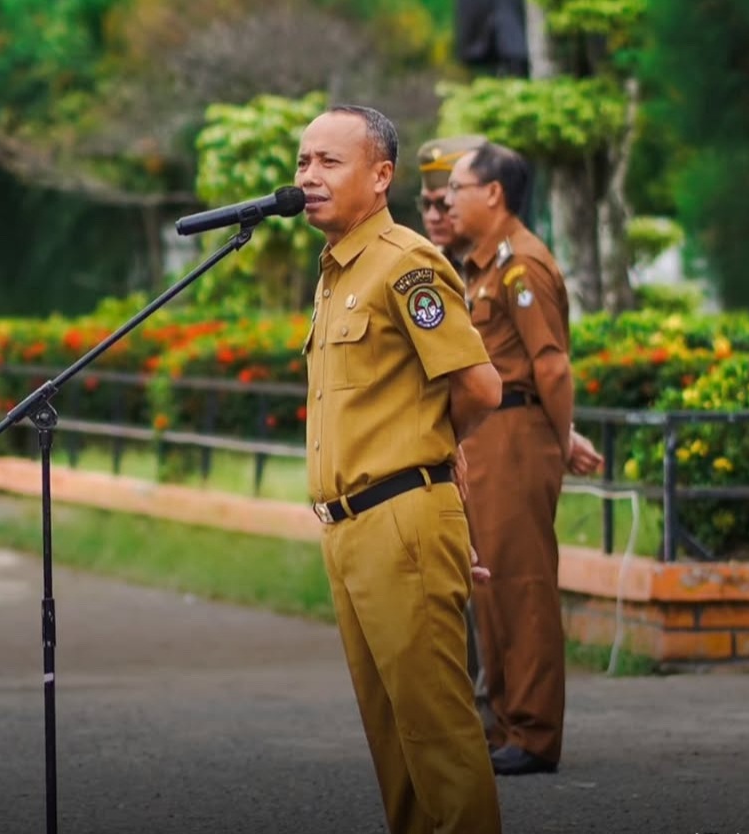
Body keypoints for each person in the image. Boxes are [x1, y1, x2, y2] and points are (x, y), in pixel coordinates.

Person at [296, 104, 504, 834]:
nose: (309, 176)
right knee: (393, 740)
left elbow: (479, 387)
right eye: (303, 161)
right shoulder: (336, 272)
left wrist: (435, 459)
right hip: (349, 528)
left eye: (330, 162)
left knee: (436, 735)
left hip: (399, 520)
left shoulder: (405, 262)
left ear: (381, 176)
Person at [445, 142, 603, 777]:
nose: (446, 202)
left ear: (493, 193)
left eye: (456, 189)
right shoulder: (484, 264)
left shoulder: (522, 264)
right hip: (487, 436)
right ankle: (505, 723)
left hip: (516, 434)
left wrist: (558, 442)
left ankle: (534, 732)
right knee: (491, 585)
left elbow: (552, 366)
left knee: (523, 584)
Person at [417, 134, 496, 725]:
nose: (437, 214)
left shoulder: (496, 267)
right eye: (427, 204)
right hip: (448, 450)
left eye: (447, 201)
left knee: (494, 578)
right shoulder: (420, 268)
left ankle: (495, 711)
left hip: (486, 442)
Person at [416, 135, 489, 273]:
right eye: (426, 204)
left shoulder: (505, 263)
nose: (433, 217)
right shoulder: (427, 265)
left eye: (444, 204)